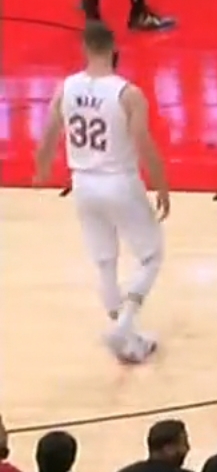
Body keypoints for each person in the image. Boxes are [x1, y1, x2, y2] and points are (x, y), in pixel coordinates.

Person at [32, 19, 172, 363]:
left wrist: (42, 169)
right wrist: (161, 184)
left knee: (105, 261)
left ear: (84, 48)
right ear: (114, 49)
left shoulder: (66, 88)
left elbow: (49, 134)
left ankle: (129, 341)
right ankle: (124, 326)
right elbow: (143, 143)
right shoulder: (128, 94)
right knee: (151, 256)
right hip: (119, 180)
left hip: (82, 183)